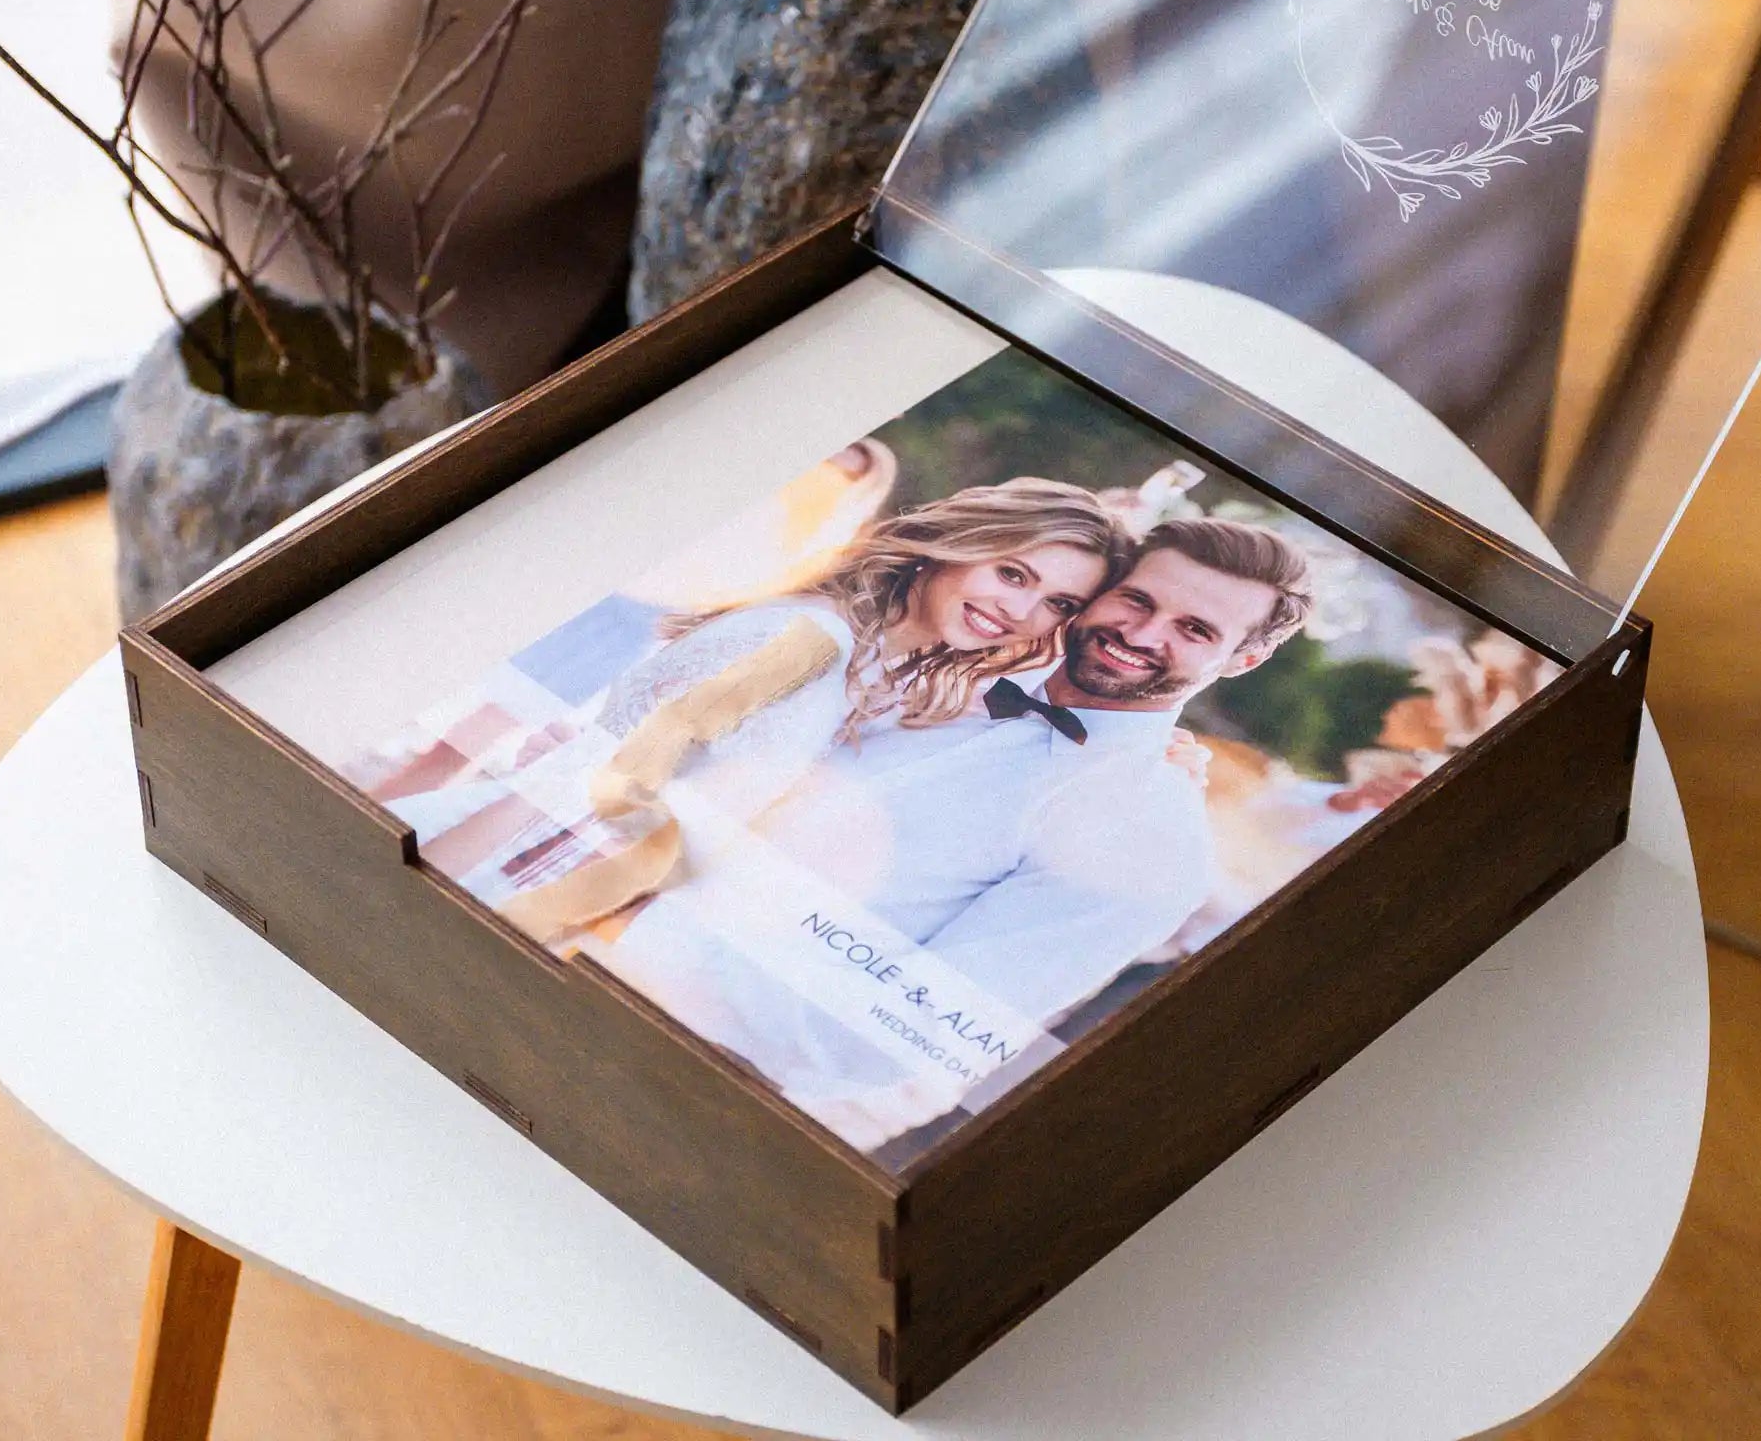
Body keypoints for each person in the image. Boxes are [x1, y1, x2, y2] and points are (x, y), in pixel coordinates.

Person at [577, 511, 1317, 1151]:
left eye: (1193, 630)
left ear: (1244, 659)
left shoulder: (1148, 838)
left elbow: (895, 1034)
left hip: (693, 1072)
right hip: (574, 925)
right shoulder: (959, 667)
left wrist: (636, 930)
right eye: (1136, 600)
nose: (1142, 633)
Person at [399, 477, 1132, 894]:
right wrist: (434, 891)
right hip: (504, 872)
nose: (1021, 612)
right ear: (959, 546)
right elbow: (579, 784)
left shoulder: (889, 669)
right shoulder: (810, 641)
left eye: (1058, 605)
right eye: (1012, 573)